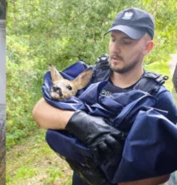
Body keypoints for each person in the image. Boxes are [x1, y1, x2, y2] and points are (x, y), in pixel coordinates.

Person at [32, 7, 177, 185]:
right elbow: (40, 111)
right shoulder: (90, 77)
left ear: (147, 47)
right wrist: (81, 122)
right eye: (113, 39)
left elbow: (164, 171)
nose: (115, 48)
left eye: (126, 41)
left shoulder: (157, 97)